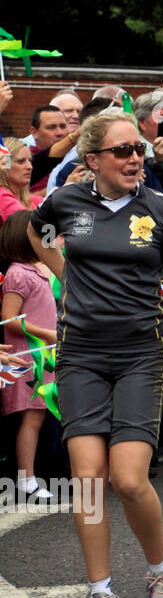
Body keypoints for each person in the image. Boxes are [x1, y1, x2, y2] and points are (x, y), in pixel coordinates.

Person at [28, 109, 163, 598]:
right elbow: (37, 233)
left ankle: (159, 575)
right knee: (86, 483)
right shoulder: (66, 202)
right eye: (122, 151)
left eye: (138, 151)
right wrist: (65, 272)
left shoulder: (161, 208)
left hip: (139, 355)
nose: (134, 159)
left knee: (127, 479)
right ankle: (101, 597)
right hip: (79, 354)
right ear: (93, 159)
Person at [1, 211, 57, 501]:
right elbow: (8, 318)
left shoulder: (32, 271)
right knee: (31, 419)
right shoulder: (18, 273)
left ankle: (30, 476)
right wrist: (46, 334)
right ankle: (26, 479)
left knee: (37, 417)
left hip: (41, 359)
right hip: (26, 359)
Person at [0, 138, 44, 219]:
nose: (30, 167)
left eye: (30, 161)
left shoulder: (36, 200)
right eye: (21, 161)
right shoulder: (1, 196)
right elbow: (28, 225)